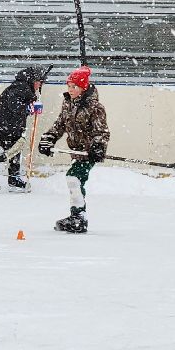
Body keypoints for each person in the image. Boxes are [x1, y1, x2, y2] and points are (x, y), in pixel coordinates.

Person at [38, 66, 109, 233]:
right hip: (76, 152)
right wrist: (49, 138)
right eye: (69, 86)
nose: (70, 90)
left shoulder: (95, 107)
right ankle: (77, 216)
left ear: (83, 88)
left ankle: (79, 217)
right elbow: (60, 124)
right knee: (77, 182)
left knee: (73, 178)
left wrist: (98, 147)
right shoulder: (68, 103)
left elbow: (102, 131)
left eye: (74, 87)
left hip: (88, 152)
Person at [0, 65, 51, 193]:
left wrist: (32, 105)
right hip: (4, 126)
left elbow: (21, 108)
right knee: (1, 149)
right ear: (33, 80)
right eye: (39, 82)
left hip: (13, 127)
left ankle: (14, 180)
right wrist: (31, 108)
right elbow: (14, 106)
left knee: (15, 152)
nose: (40, 85)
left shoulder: (25, 88)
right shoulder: (19, 87)